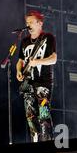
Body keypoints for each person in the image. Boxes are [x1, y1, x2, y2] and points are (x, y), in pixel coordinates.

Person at [16, 10, 57, 142]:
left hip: (43, 83)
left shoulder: (48, 38)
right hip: (28, 83)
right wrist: (18, 71)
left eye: (31, 22)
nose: (28, 25)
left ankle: (47, 141)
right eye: (27, 23)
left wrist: (37, 62)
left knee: (43, 114)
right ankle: (35, 142)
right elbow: (20, 61)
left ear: (40, 23)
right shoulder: (24, 41)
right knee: (30, 116)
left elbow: (53, 59)